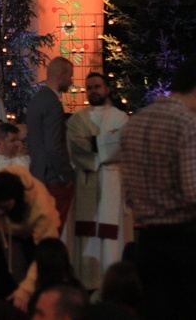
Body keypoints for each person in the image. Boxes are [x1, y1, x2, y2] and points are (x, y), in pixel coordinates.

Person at [120, 56, 196, 319]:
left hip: (150, 243)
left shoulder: (135, 123)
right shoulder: (190, 123)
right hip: (189, 244)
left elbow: (129, 193)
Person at [66, 72, 132, 289]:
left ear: (107, 89)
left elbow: (123, 146)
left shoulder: (120, 118)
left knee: (112, 237)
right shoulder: (77, 119)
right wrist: (106, 141)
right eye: (90, 87)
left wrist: (94, 143)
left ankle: (112, 284)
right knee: (88, 234)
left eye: (97, 86)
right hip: (86, 181)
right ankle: (90, 282)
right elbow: (75, 147)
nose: (93, 91)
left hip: (113, 181)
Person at [0, 166, 60, 310]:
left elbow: (45, 253)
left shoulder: (42, 209)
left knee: (27, 297)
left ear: (17, 199)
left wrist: (25, 291)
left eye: (5, 208)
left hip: (30, 240)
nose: (0, 212)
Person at [26, 56, 75, 231]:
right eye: (70, 76)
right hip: (53, 178)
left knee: (41, 231)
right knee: (52, 231)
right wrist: (65, 176)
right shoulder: (53, 103)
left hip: (38, 174)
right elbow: (54, 146)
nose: (71, 81)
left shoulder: (36, 100)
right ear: (61, 75)